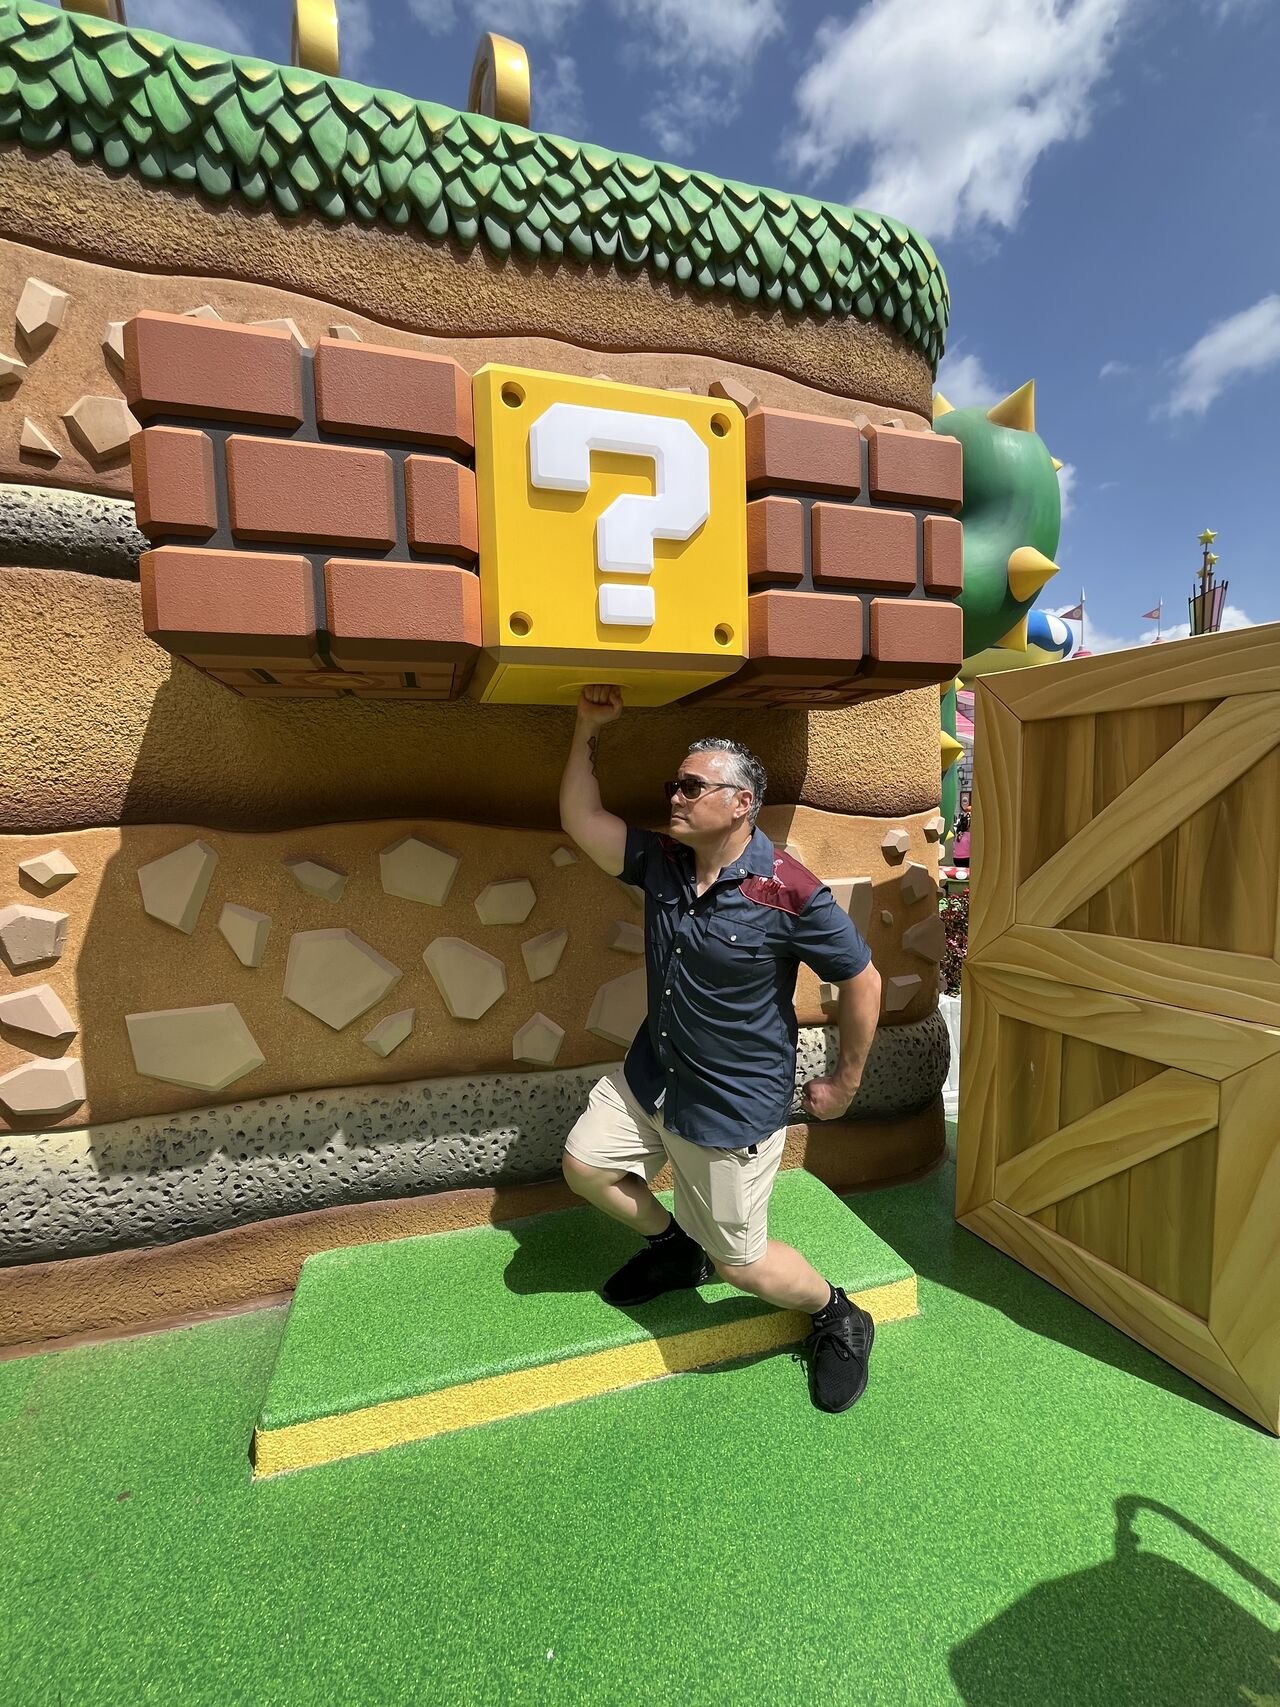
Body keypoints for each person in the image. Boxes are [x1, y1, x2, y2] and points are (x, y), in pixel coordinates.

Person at [558, 684, 884, 1413]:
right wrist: (587, 724)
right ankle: (678, 1246)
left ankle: (837, 1312)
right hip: (657, 1075)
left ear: (740, 803)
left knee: (745, 1265)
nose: (674, 796)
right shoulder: (665, 862)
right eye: (675, 784)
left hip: (729, 1106)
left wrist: (846, 1081)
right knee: (586, 1164)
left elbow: (862, 981)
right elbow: (581, 818)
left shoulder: (790, 891)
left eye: (691, 786)